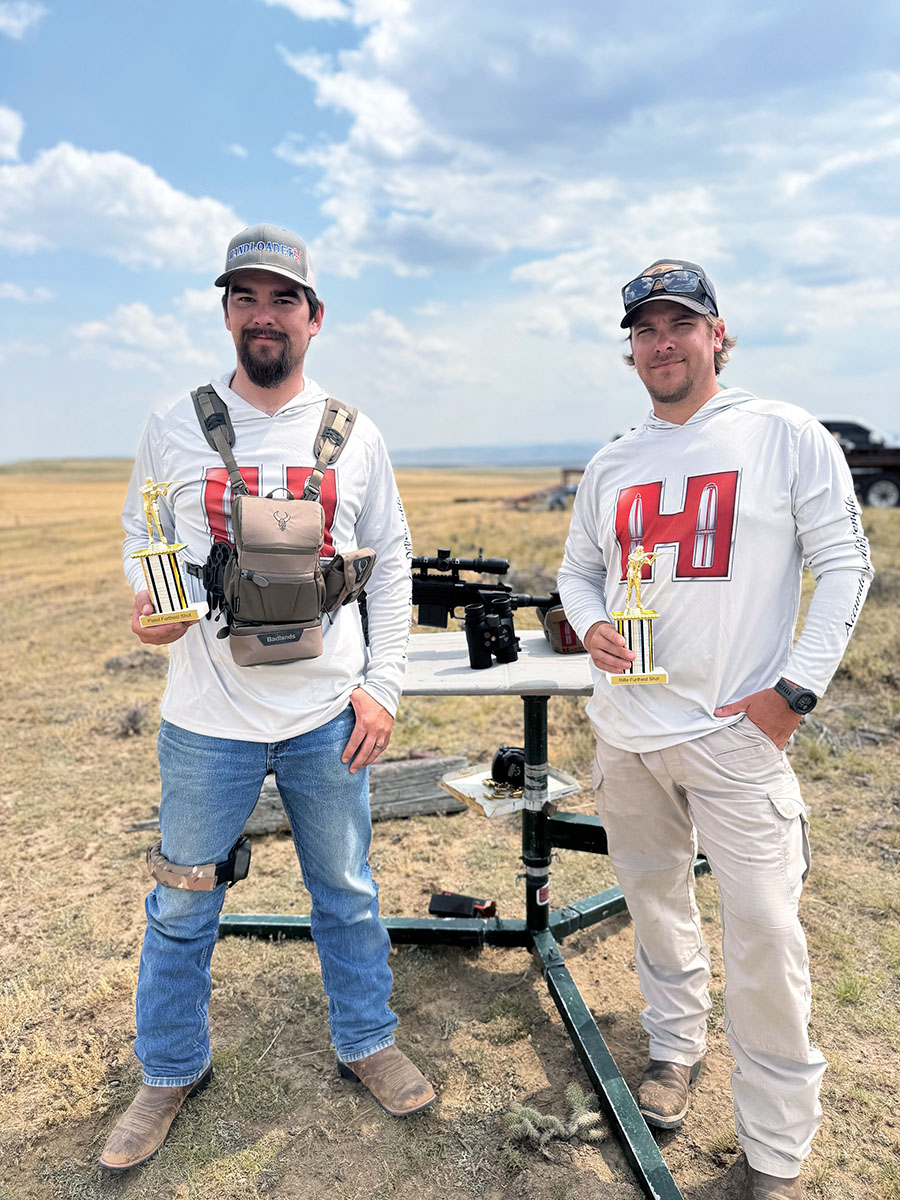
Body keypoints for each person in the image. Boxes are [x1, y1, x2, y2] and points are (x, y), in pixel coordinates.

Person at [101, 223, 434, 1172]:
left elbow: (392, 565)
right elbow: (141, 529)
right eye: (245, 297)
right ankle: (168, 1069)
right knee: (181, 901)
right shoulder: (176, 424)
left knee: (349, 892)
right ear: (226, 313)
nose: (263, 314)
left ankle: (366, 1041)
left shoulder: (356, 435)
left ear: (314, 317)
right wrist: (150, 600)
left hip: (329, 715)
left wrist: (384, 691)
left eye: (282, 298)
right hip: (205, 724)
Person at [557, 259, 873, 1200]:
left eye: (680, 324)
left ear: (716, 335)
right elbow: (579, 571)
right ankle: (673, 1050)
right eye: (646, 328)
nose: (662, 341)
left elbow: (845, 566)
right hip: (627, 733)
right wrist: (594, 622)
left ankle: (775, 1147)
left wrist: (793, 696)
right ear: (631, 349)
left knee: (767, 932)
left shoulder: (782, 435)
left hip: (738, 737)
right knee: (654, 904)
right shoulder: (614, 461)